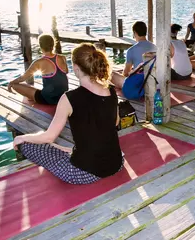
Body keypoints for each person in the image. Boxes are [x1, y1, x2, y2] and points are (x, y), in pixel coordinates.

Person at [13, 43, 123, 184]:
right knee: (62, 146)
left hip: (84, 173)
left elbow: (49, 137)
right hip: (116, 164)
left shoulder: (69, 98)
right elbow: (115, 123)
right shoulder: (112, 91)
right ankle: (74, 151)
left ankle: (73, 152)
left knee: (27, 145)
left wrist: (22, 138)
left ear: (76, 68)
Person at [8, 34, 68, 105]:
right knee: (29, 86)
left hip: (49, 99)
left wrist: (11, 82)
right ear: (53, 44)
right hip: (63, 97)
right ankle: (33, 96)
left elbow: (23, 78)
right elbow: (66, 72)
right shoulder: (62, 57)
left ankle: (33, 97)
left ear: (40, 46)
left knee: (15, 85)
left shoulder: (39, 62)